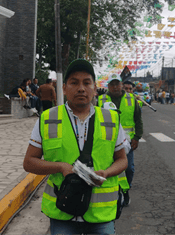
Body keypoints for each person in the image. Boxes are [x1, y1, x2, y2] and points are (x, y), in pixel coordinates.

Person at [23, 59, 128, 234]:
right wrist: (61, 167)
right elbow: (29, 162)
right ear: (64, 88)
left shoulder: (111, 119)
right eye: (74, 82)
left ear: (94, 88)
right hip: (62, 213)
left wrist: (106, 173)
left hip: (100, 215)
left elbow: (122, 160)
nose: (81, 88)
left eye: (87, 83)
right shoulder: (48, 118)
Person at [98, 76, 143, 207]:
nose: (115, 87)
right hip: (106, 141)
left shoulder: (131, 99)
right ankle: (112, 193)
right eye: (112, 85)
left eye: (117, 84)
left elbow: (138, 120)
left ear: (121, 84)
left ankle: (125, 190)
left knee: (128, 169)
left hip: (126, 142)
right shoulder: (101, 100)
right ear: (108, 86)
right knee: (108, 169)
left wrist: (137, 137)